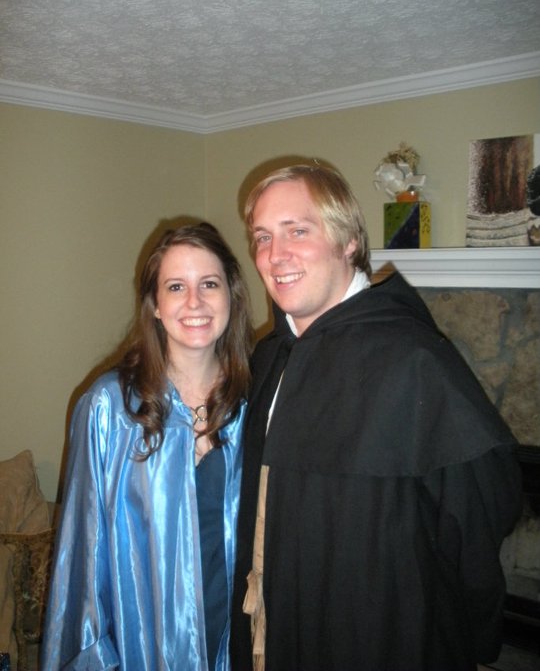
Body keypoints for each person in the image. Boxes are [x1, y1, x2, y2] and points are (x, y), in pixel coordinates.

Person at [229, 165, 523, 671]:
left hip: (384, 636)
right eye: (263, 237)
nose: (275, 255)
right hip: (280, 622)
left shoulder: (414, 361)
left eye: (298, 231)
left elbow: (479, 514)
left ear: (348, 241)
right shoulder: (270, 356)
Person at [42, 222, 253, 671]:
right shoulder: (109, 408)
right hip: (143, 651)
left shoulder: (255, 402)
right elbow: (83, 558)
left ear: (231, 295)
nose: (194, 302)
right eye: (176, 287)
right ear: (155, 305)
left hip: (239, 644)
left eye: (209, 284)